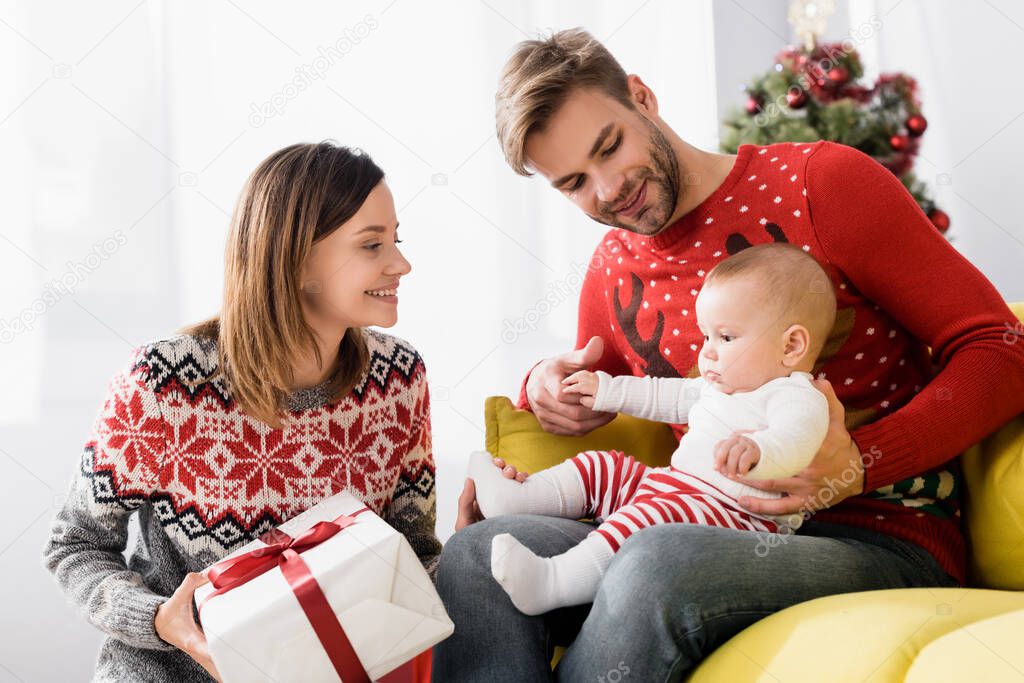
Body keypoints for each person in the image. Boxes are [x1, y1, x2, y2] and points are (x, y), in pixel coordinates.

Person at [434, 28, 1024, 681]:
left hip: (874, 534)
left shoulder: (821, 184)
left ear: (642, 97)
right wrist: (545, 395)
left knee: (658, 560)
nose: (608, 188)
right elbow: (595, 400)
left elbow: (1002, 347)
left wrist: (861, 460)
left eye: (610, 146)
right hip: (701, 518)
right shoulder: (612, 272)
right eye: (574, 182)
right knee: (477, 553)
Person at [42, 142, 440, 682]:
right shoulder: (169, 381)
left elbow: (411, 557)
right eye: (371, 245)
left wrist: (470, 555)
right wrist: (159, 619)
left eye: (396, 239)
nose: (402, 264)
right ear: (295, 258)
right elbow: (75, 544)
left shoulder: (399, 379)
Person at [469, 243, 834, 615]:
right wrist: (606, 390)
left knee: (649, 521)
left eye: (725, 338)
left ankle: (552, 583)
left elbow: (798, 438)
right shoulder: (716, 386)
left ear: (791, 346)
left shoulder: (796, 395)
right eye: (706, 336)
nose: (706, 352)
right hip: (676, 490)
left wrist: (761, 451)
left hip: (735, 521)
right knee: (605, 468)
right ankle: (518, 498)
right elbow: (663, 395)